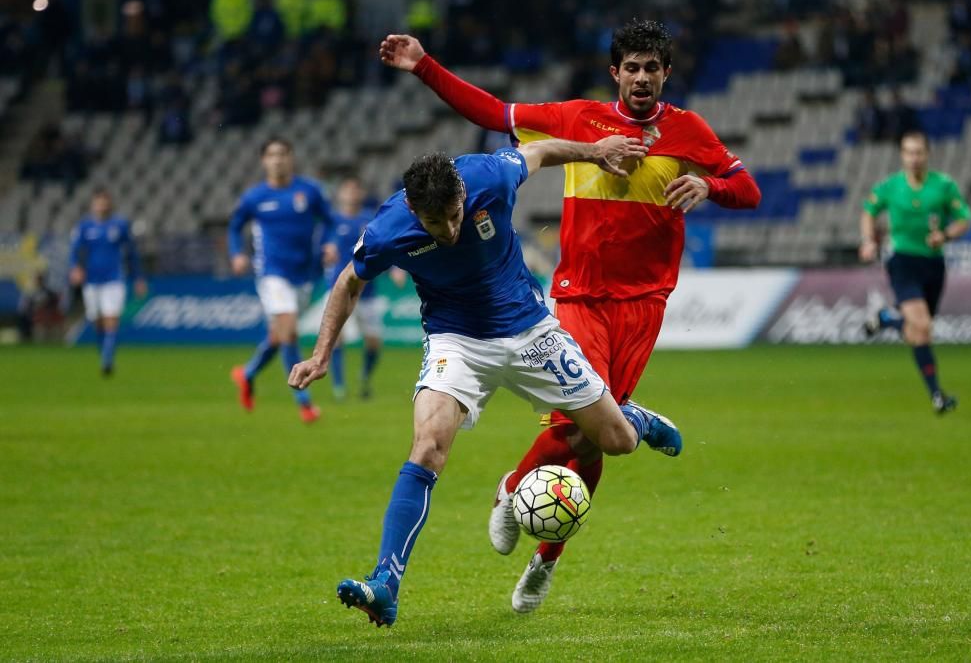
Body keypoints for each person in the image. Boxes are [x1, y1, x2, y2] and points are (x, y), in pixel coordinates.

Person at [379, 19, 761, 612]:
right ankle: (522, 496)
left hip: (645, 302)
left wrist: (710, 187)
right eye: (630, 67)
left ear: (666, 73)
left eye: (651, 68)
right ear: (616, 73)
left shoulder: (689, 131)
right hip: (580, 295)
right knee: (583, 421)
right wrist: (426, 66)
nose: (641, 77)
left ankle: (537, 543)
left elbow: (748, 189)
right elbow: (491, 113)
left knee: (596, 438)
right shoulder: (580, 119)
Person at [288, 136, 683, 627]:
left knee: (616, 442)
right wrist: (322, 353)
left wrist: (594, 151)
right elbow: (350, 280)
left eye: (456, 214)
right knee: (428, 446)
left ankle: (634, 419)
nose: (451, 229)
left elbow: (538, 153)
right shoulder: (390, 228)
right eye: (436, 223)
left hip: (530, 329)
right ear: (413, 208)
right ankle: (385, 583)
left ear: (460, 193)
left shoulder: (488, 176)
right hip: (457, 341)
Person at [860, 130, 970, 414]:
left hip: (934, 264)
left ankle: (886, 318)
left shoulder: (944, 186)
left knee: (919, 333)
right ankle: (937, 397)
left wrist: (945, 236)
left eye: (918, 152)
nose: (914, 158)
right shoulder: (890, 187)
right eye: (909, 152)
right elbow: (868, 210)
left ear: (927, 154)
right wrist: (869, 240)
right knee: (922, 327)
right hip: (902, 261)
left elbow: (963, 220)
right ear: (902, 155)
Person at [229, 137, 337, 424]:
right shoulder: (255, 197)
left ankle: (247, 374)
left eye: (282, 154)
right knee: (288, 332)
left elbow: (330, 221)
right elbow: (235, 226)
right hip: (271, 274)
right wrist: (237, 253)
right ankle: (305, 403)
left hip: (304, 275)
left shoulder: (309, 191)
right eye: (271, 155)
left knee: (279, 336)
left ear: (291, 158)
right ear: (263, 161)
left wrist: (329, 244)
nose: (277, 160)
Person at [323, 176, 397, 400]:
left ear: (361, 194)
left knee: (373, 343)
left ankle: (364, 378)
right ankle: (339, 387)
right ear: (340, 194)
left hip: (368, 289)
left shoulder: (369, 219)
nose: (352, 194)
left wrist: (394, 268)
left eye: (356, 189)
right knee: (337, 338)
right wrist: (326, 252)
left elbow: (384, 246)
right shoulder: (332, 221)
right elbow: (322, 247)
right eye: (348, 189)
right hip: (341, 287)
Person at [68, 189, 147, 376]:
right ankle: (104, 354)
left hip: (114, 279)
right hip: (92, 280)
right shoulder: (84, 227)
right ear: (93, 204)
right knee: (97, 321)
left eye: (105, 202)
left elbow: (132, 253)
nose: (102, 205)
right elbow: (75, 251)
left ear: (109, 204)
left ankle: (107, 361)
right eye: (98, 202)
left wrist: (138, 278)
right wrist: (75, 268)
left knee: (111, 319)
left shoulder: (119, 225)